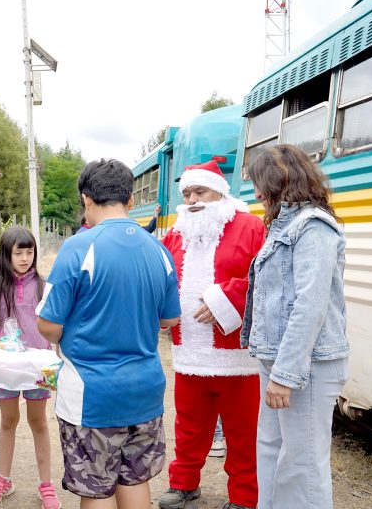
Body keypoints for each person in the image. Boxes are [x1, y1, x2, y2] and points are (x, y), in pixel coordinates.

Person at [37, 158, 181, 509]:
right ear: (130, 200)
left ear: (86, 199)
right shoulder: (158, 249)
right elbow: (170, 319)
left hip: (92, 395)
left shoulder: (78, 247)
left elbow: (48, 325)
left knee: (96, 489)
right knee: (135, 480)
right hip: (145, 392)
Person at [243, 144, 349, 509]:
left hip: (307, 366)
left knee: (302, 467)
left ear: (277, 181)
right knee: (271, 450)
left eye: (259, 183)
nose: (256, 193)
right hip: (280, 360)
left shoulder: (313, 227)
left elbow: (310, 305)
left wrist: (285, 374)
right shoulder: (285, 226)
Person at [157, 160, 266, 509]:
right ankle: (183, 483)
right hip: (189, 354)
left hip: (238, 357)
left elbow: (267, 280)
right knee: (188, 426)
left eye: (200, 191)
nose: (192, 200)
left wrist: (225, 298)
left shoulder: (251, 227)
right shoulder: (175, 235)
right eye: (187, 193)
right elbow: (159, 281)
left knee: (243, 431)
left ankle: (245, 496)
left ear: (220, 192)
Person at [0, 226, 62, 509]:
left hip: (38, 369)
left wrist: (59, 351)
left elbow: (57, 323)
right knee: (8, 420)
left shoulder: (44, 286)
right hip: (4, 367)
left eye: (29, 252)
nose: (24, 258)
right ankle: (3, 480)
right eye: (18, 253)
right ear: (5, 254)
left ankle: (46, 484)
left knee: (38, 421)